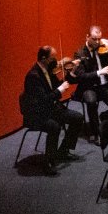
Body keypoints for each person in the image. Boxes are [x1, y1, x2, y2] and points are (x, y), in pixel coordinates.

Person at [18, 47, 84, 175]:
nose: (57, 61)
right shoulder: (33, 76)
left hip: (50, 109)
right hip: (37, 114)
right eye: (53, 58)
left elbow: (59, 84)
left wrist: (72, 72)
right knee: (54, 126)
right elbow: (45, 100)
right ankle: (49, 162)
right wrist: (60, 90)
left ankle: (63, 151)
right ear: (44, 59)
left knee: (78, 117)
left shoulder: (48, 70)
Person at [74, 25, 108, 143]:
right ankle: (95, 132)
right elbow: (81, 76)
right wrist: (99, 72)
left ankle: (107, 123)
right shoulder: (80, 53)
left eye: (99, 39)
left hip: (104, 86)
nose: (97, 42)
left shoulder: (104, 49)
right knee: (91, 102)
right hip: (89, 87)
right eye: (94, 39)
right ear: (87, 37)